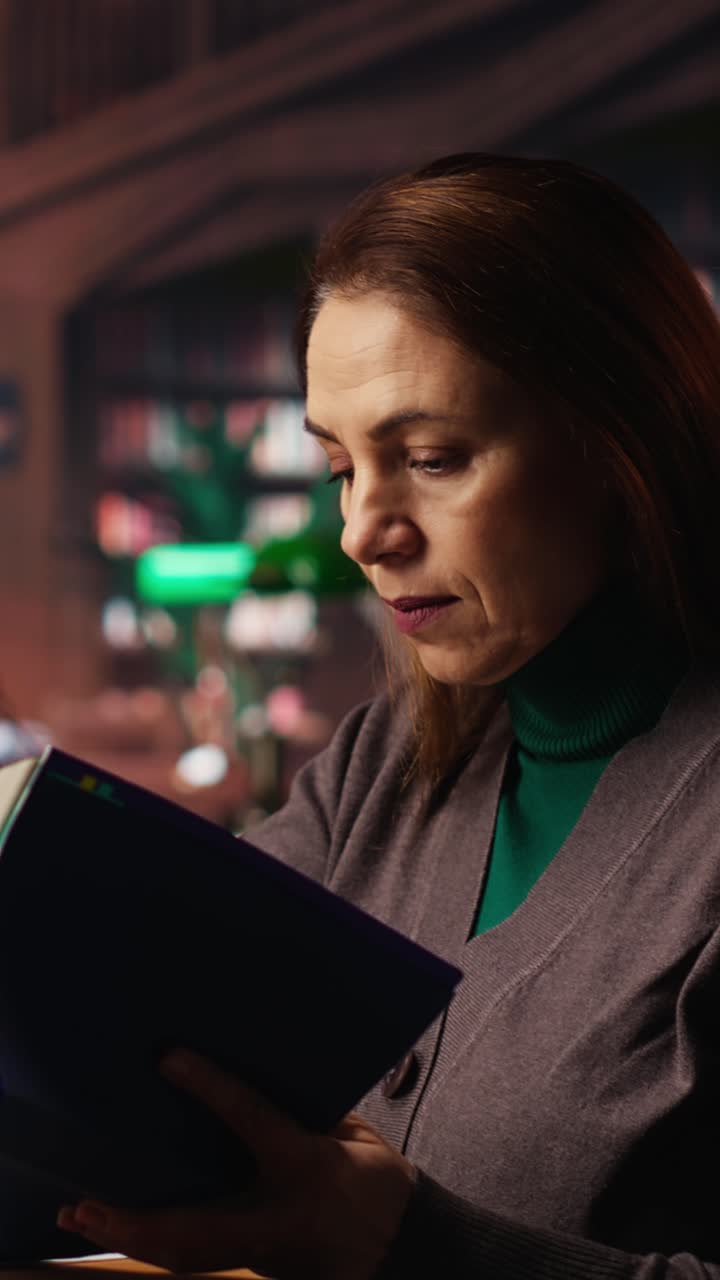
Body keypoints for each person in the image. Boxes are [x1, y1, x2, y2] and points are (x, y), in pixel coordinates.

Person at [57, 153, 720, 1277]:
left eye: (429, 457)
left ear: (625, 440)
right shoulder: (381, 766)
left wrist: (409, 1240)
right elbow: (155, 1008)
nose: (366, 529)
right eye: (338, 469)